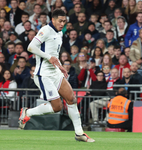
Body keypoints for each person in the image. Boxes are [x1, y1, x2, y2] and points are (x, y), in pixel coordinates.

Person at [18, 9, 95, 142]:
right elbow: (31, 47)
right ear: (53, 19)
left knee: (71, 98)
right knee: (57, 107)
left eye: (64, 21)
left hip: (55, 72)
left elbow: (54, 54)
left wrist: (59, 66)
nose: (62, 24)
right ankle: (27, 112)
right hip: (44, 75)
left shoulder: (59, 33)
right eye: (60, 21)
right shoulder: (46, 30)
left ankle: (79, 133)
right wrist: (49, 58)